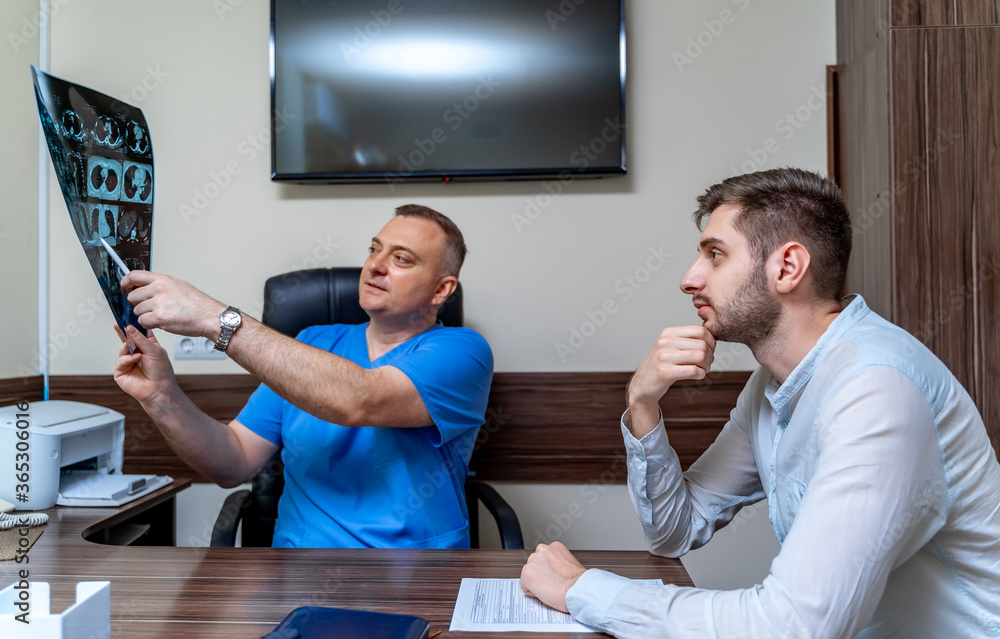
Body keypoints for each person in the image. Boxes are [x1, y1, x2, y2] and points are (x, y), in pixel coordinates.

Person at [520, 168, 1000, 637]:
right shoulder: (770, 387)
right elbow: (675, 532)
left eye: (715, 255)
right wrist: (642, 403)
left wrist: (584, 589)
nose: (689, 279)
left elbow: (796, 626)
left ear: (787, 268)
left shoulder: (876, 387)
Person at [113, 204, 494, 548]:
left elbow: (360, 399)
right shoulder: (311, 345)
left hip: (420, 576)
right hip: (300, 574)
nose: (375, 265)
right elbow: (233, 461)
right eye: (374, 249)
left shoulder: (463, 352)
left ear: (442, 290)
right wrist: (162, 398)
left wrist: (214, 318)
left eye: (401, 259)